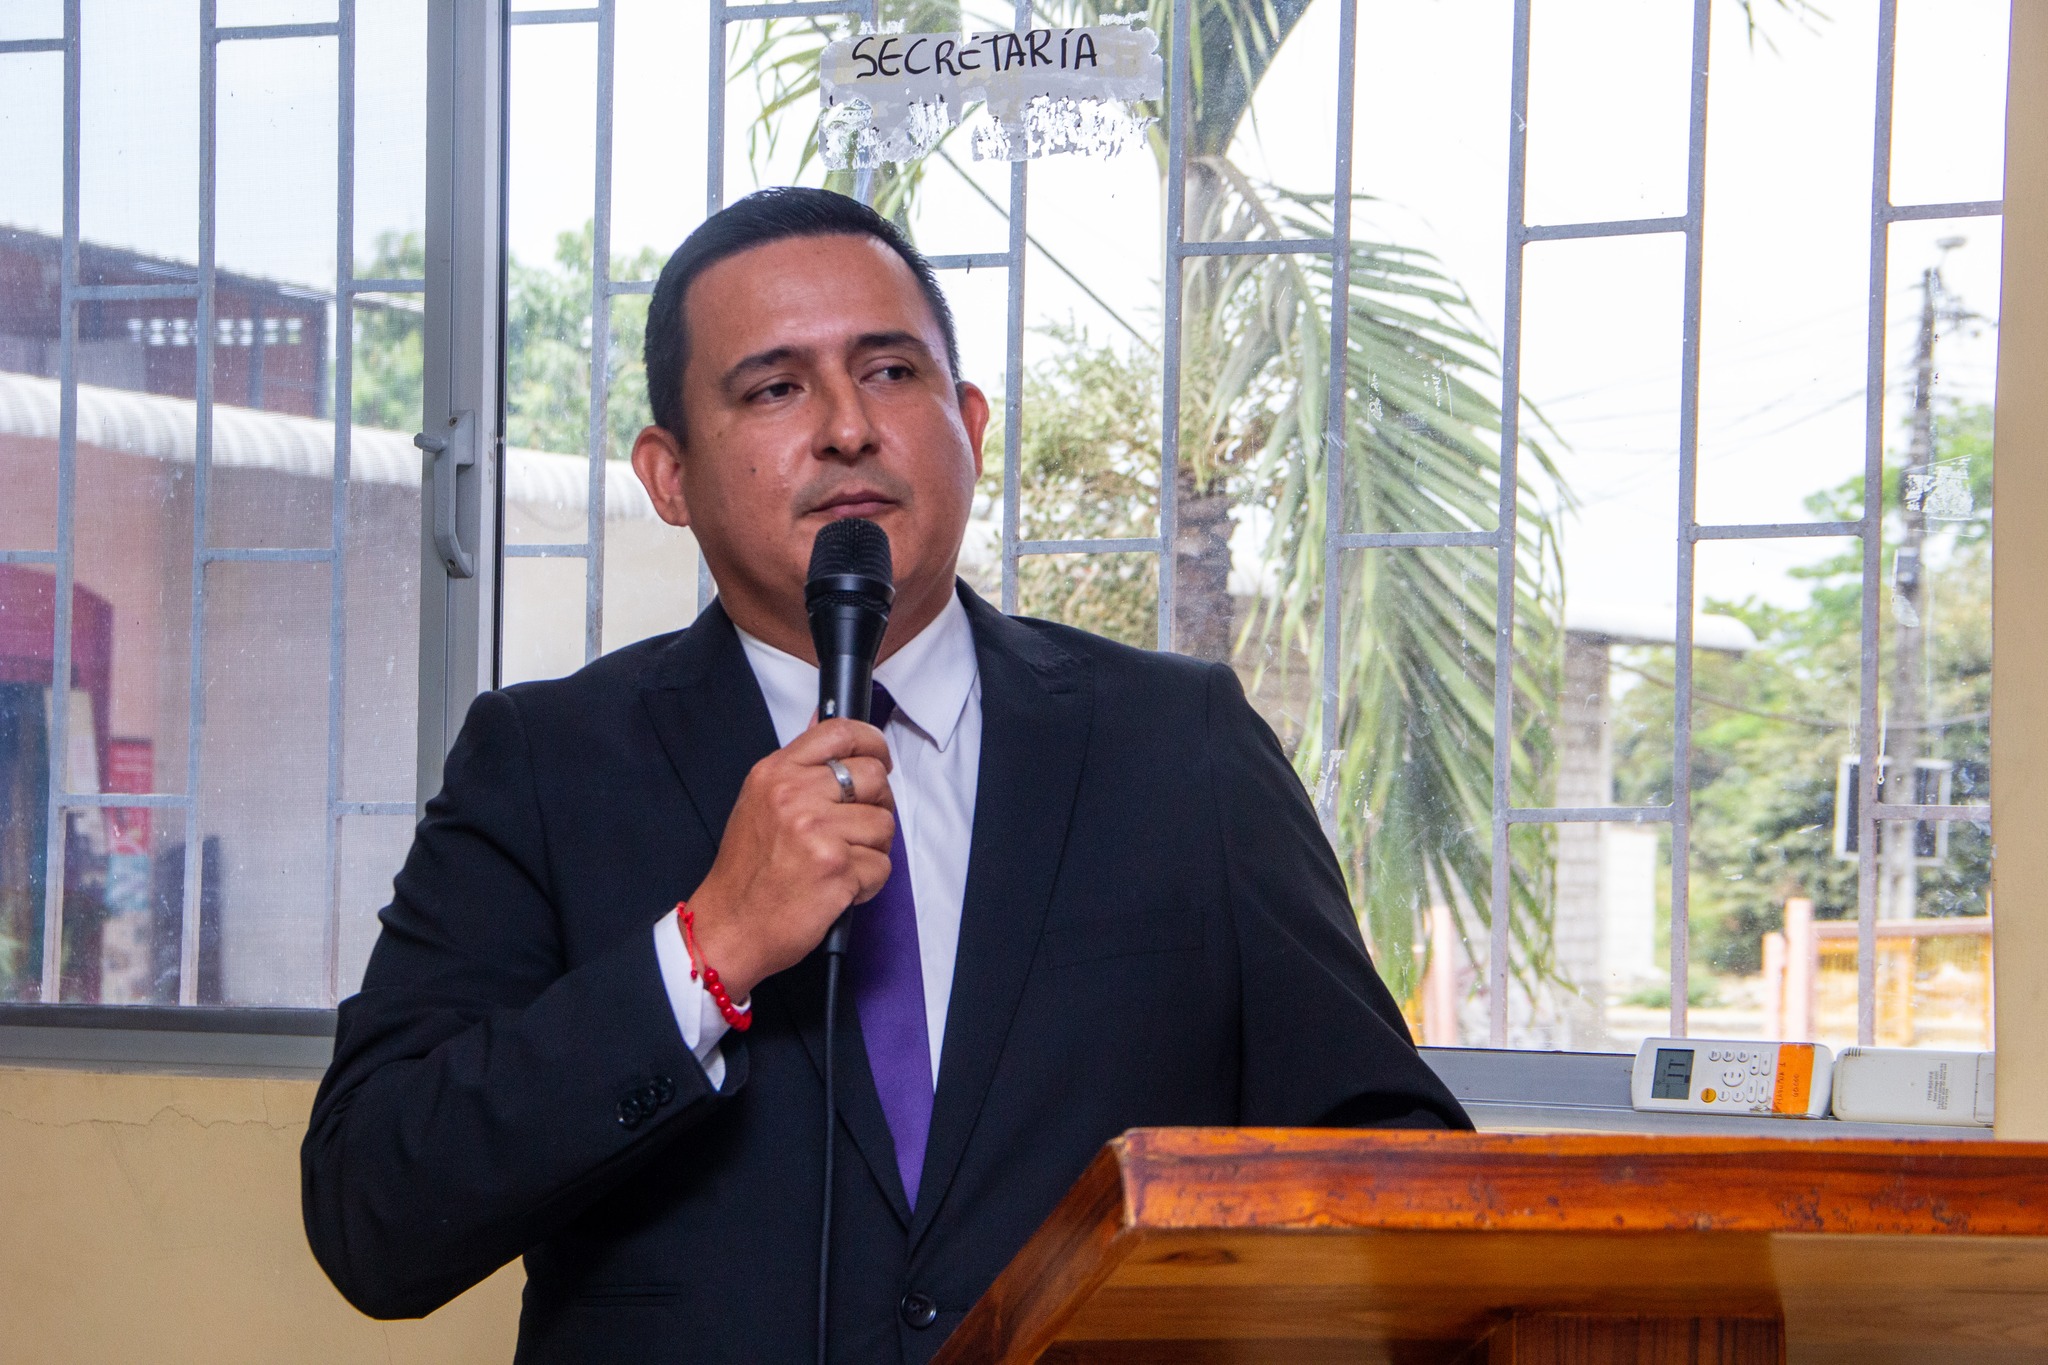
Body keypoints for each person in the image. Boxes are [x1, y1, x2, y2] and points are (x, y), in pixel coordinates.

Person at [302, 186, 1468, 1363]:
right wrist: (706, 951)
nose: (848, 427)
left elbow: (1389, 1148)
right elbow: (373, 1216)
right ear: (667, 475)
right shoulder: (543, 763)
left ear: (970, 423)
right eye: (773, 388)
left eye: (891, 372)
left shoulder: (1179, 742)